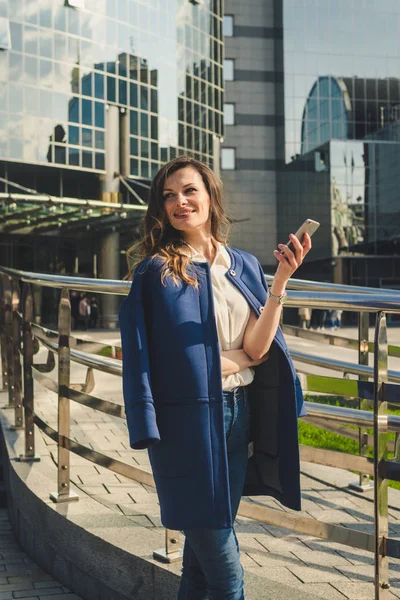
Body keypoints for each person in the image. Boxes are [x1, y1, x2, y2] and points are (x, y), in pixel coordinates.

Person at [119, 157, 312, 600]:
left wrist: (280, 277)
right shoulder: (157, 272)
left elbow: (260, 348)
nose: (179, 202)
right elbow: (150, 357)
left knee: (201, 566)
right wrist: (233, 358)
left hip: (237, 417)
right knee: (228, 574)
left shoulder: (241, 264)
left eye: (189, 191)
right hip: (183, 427)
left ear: (210, 197)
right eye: (169, 196)